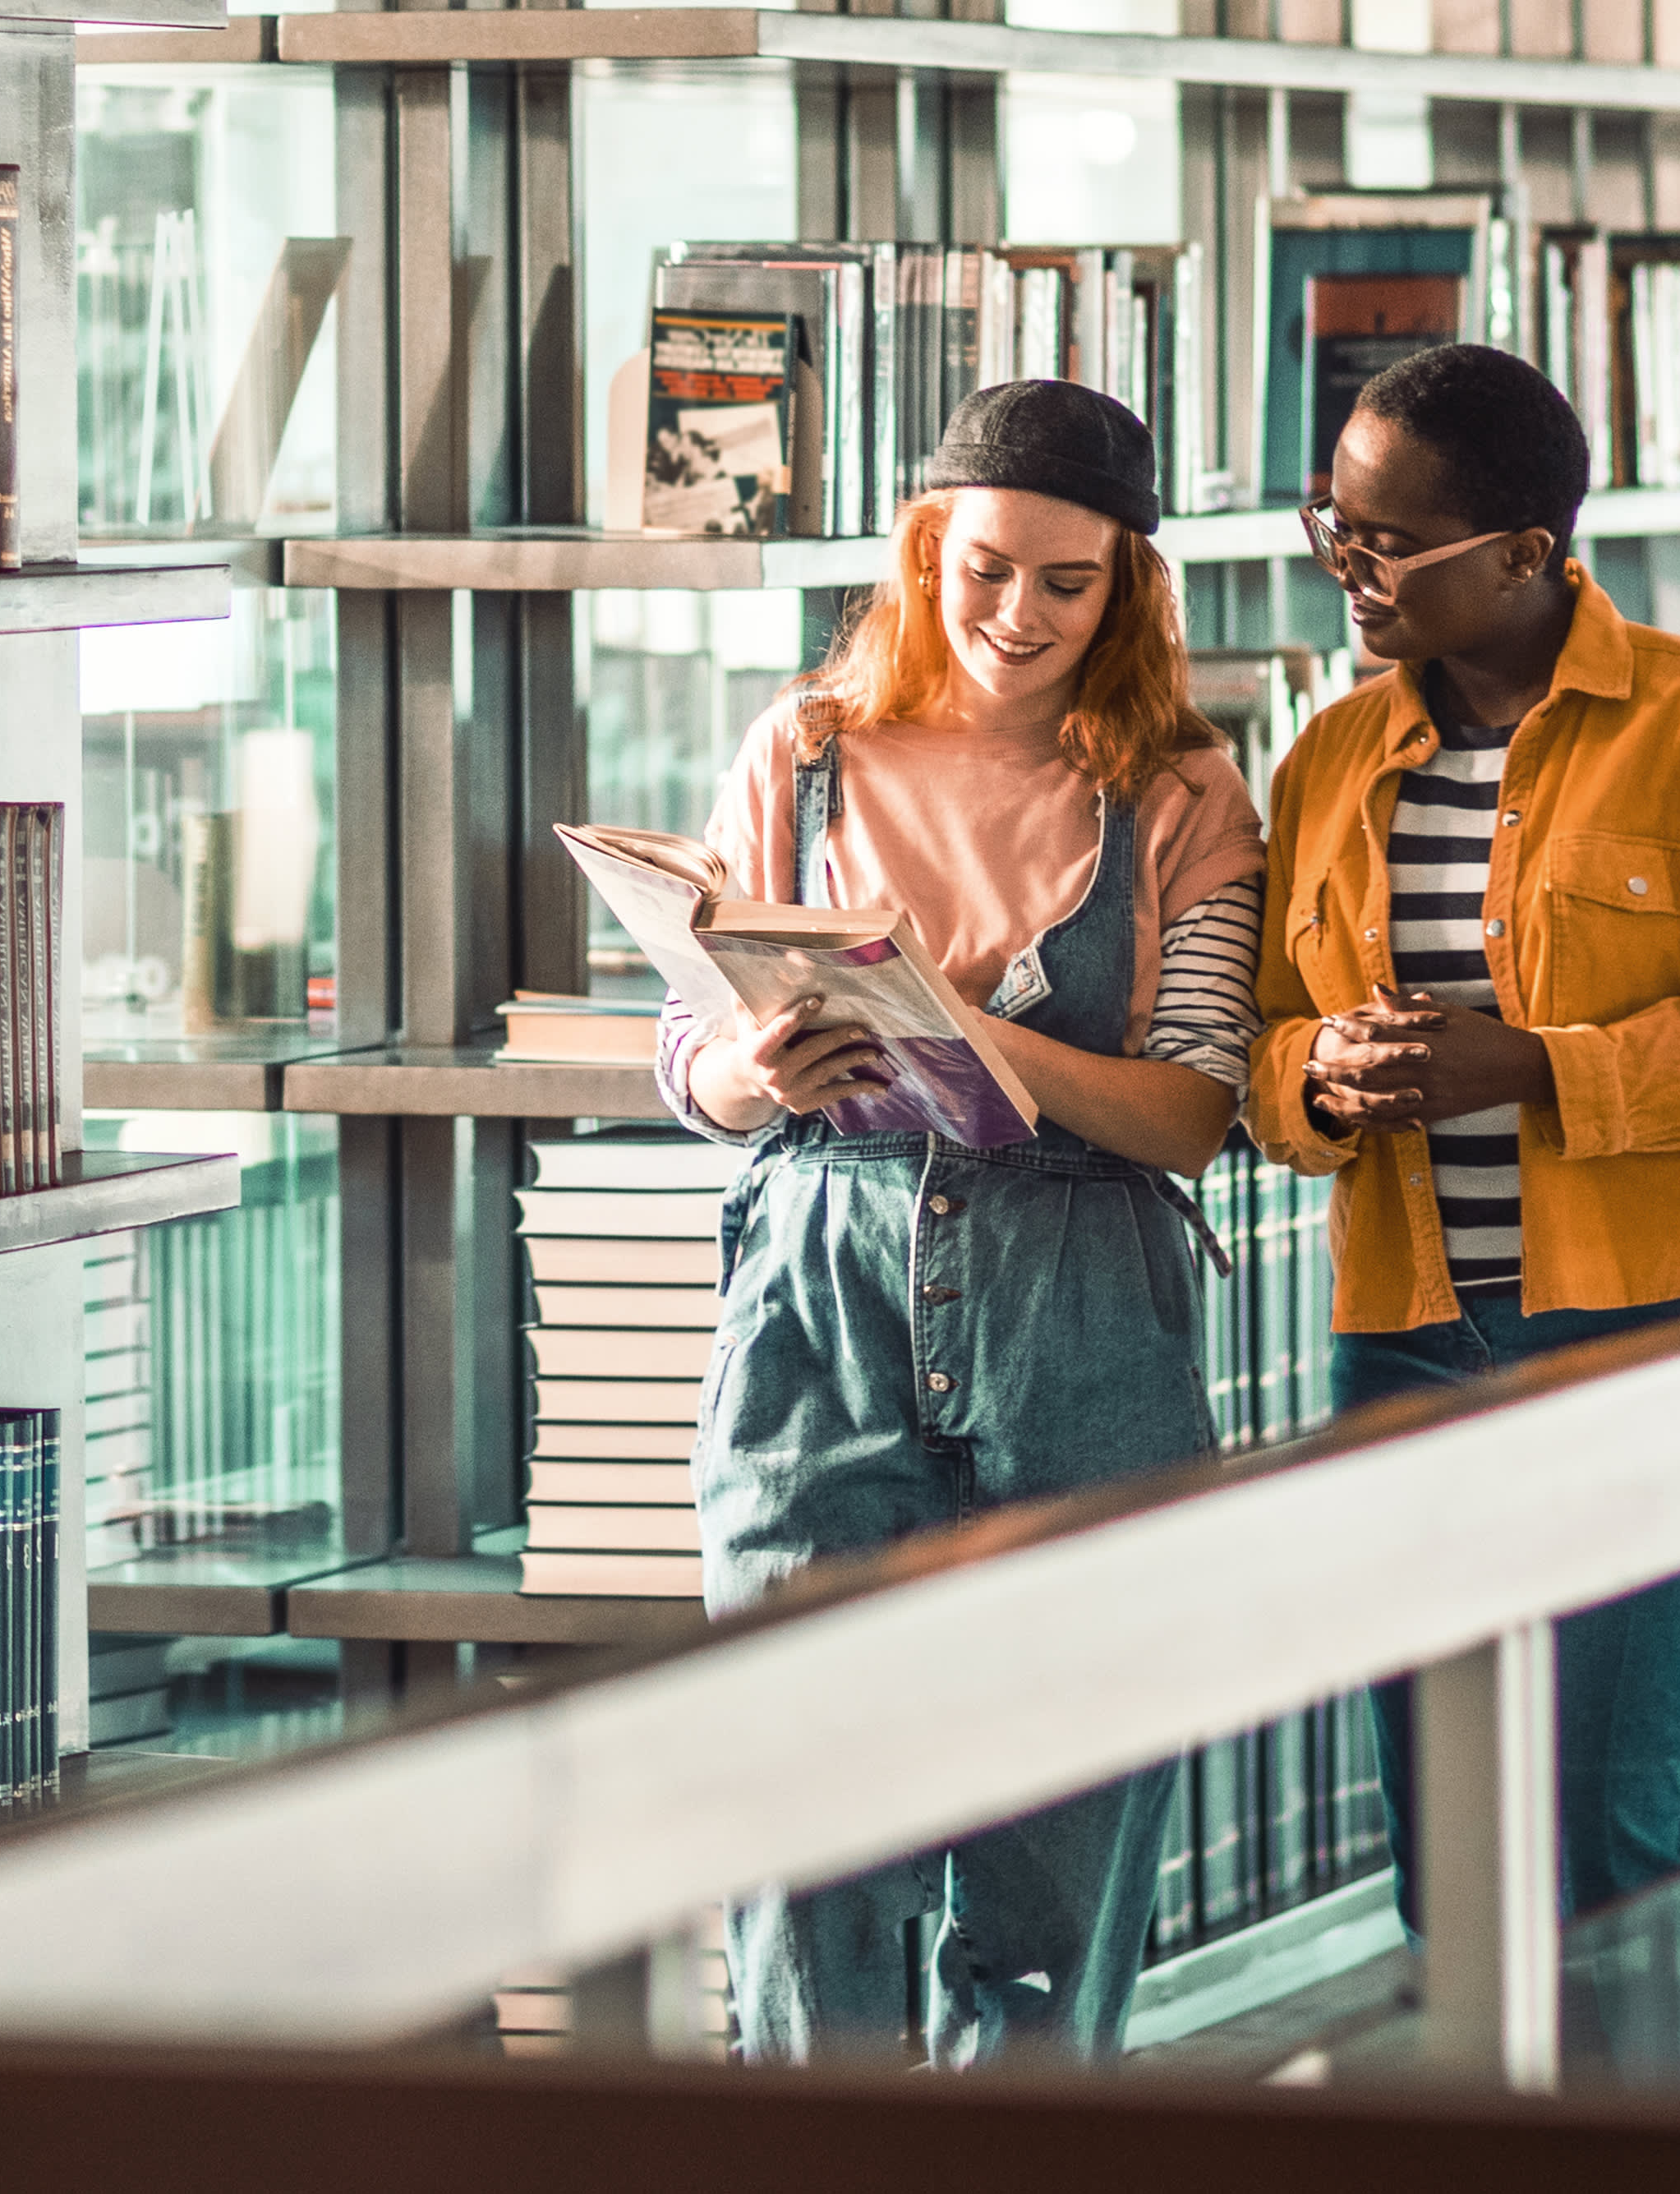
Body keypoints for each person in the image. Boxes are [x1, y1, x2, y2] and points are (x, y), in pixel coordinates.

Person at [652, 380, 1268, 2067]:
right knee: (801, 1839)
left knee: (1055, 1869)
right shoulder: (800, 752)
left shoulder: (1183, 789)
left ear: (1126, 588)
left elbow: (1194, 1112)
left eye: (1067, 583)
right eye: (985, 569)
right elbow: (687, 1058)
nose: (1016, 616)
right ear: (925, 552)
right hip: (819, 1297)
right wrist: (750, 1074)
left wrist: (986, 1044)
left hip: (1082, 1314)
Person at [1246, 343, 1680, 1929]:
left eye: (1389, 544)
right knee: (1454, 1857)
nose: (1347, 568)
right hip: (1409, 1345)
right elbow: (1260, 1051)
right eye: (1333, 526)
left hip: (1678, 1330)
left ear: (1525, 553)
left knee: (1604, 1840)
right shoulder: (1328, 761)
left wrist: (1539, 1070)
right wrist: (1323, 1075)